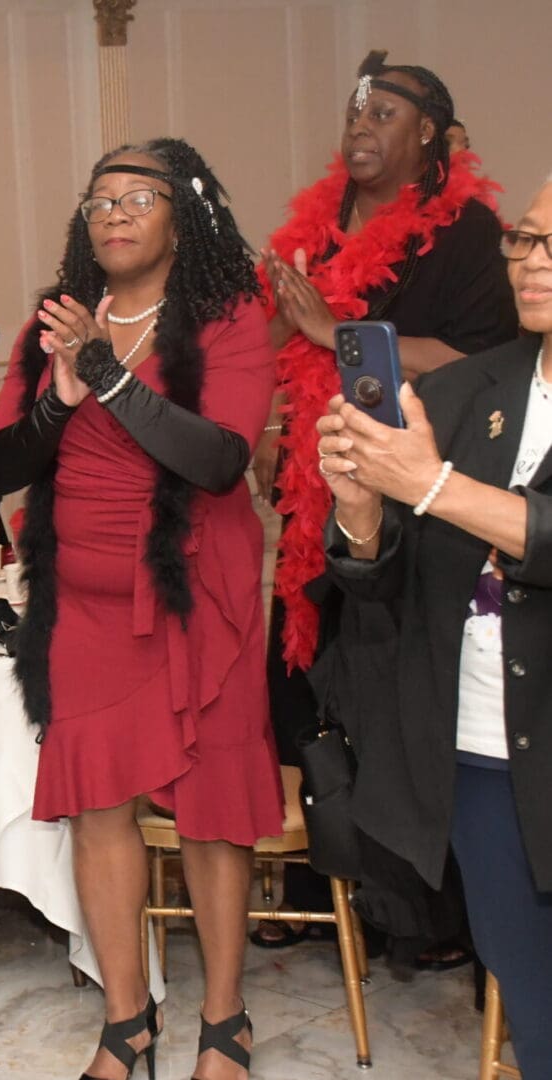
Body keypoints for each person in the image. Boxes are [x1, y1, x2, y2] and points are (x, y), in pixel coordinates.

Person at [0, 139, 280, 1080]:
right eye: (99, 198)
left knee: (210, 812)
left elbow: (221, 459)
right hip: (87, 603)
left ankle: (225, 1025)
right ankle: (125, 1020)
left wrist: (107, 374)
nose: (112, 212)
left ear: (181, 216)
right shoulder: (57, 325)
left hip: (199, 593)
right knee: (98, 809)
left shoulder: (231, 316)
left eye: (137, 197)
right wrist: (60, 400)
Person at [253, 49, 517, 959]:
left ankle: (422, 918)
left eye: (384, 115)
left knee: (391, 691)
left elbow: (483, 363)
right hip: (314, 477)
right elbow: (279, 346)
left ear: (431, 138)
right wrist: (267, 421)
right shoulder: (318, 223)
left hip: (420, 487)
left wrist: (348, 334)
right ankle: (309, 888)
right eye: (354, 113)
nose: (361, 126)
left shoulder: (472, 235)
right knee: (301, 668)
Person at [314, 176, 552, 1080]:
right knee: (532, 1006)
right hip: (484, 753)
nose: (531, 263)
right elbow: (390, 578)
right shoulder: (463, 390)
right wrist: (363, 508)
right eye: (524, 242)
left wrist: (434, 487)